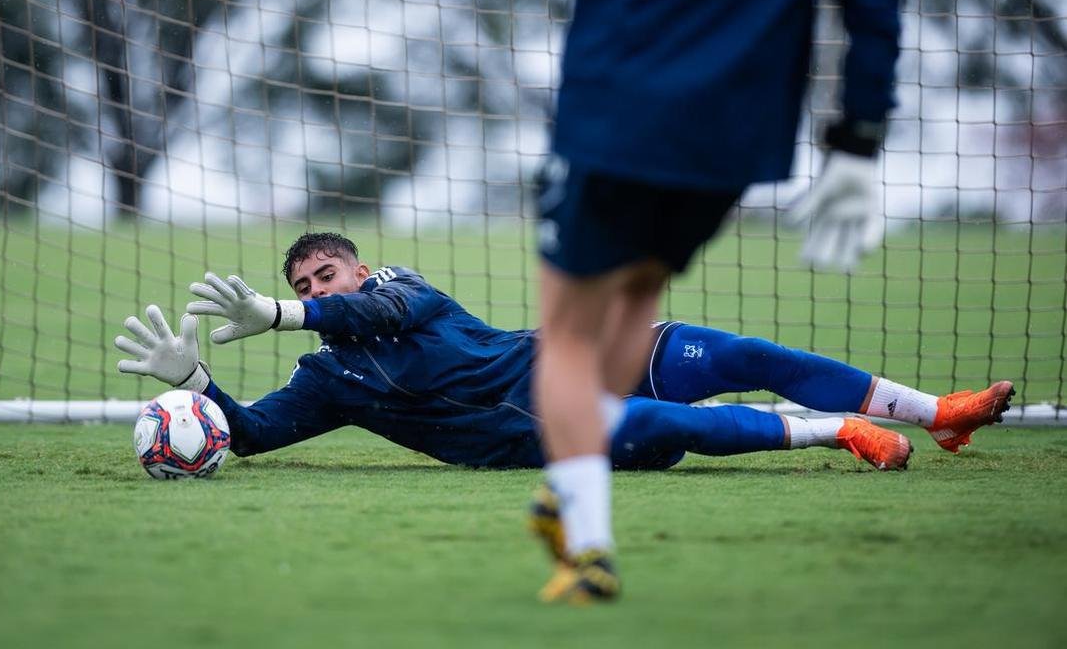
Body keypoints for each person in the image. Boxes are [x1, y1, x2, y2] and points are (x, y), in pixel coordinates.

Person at [469, 0, 907, 602]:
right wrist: (857, 146)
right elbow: (875, 11)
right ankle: (570, 490)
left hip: (614, 122)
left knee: (568, 333)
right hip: (735, 145)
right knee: (635, 301)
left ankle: (587, 543)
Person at [113, 231, 1013, 489]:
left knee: (735, 350)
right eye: (306, 283)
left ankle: (939, 416)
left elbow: (381, 308)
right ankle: (838, 433)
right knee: (664, 426)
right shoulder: (327, 378)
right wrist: (190, 381)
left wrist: (278, 312)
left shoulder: (403, 288)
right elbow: (256, 436)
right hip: (529, 430)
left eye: (326, 273)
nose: (321, 286)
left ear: (354, 267)